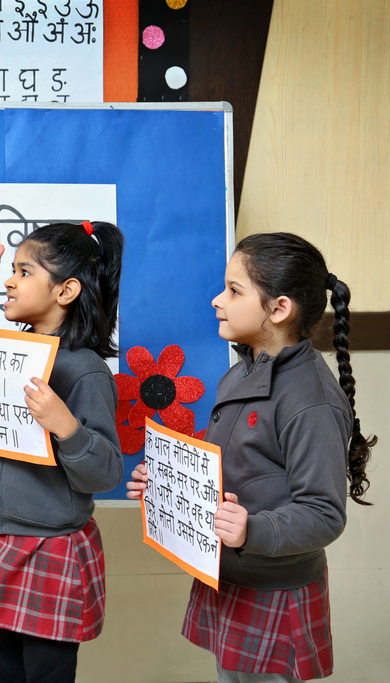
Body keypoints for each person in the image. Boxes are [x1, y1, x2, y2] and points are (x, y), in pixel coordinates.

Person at [127, 233, 377, 683]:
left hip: (275, 589)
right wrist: (165, 482)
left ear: (279, 309)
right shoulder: (239, 372)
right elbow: (232, 465)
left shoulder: (311, 401)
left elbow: (323, 513)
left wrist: (252, 530)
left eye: (234, 291)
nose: (217, 300)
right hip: (234, 575)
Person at [0, 221, 125, 682]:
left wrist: (67, 428)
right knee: (5, 675)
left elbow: (105, 472)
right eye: (11, 270)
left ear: (66, 291)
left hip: (51, 550)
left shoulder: (85, 371)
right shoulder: (7, 353)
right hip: (1, 540)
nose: (9, 280)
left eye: (24, 271)